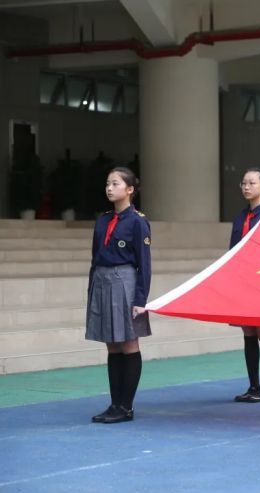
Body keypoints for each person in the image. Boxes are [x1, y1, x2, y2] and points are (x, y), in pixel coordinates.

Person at [87, 167, 151, 424]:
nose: (109, 188)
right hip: (102, 281)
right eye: (107, 183)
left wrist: (140, 300)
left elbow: (144, 264)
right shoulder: (103, 220)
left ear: (130, 189)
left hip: (125, 281)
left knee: (128, 343)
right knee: (111, 344)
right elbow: (95, 257)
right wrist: (91, 289)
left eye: (115, 184)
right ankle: (115, 404)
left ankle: (126, 406)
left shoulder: (137, 221)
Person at [231, 167, 260, 403]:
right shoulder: (240, 217)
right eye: (244, 183)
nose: (246, 187)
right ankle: (253, 385)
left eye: (252, 183)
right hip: (242, 281)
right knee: (248, 331)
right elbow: (232, 251)